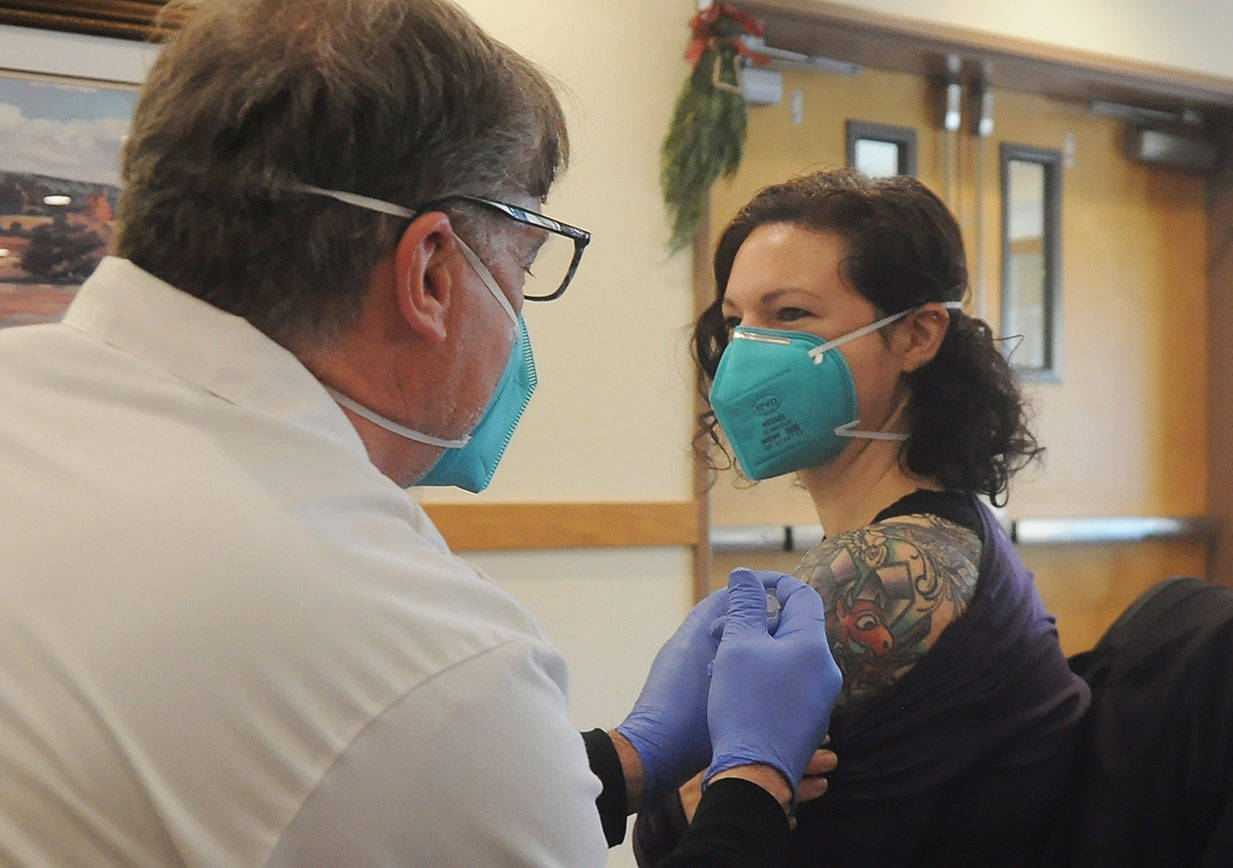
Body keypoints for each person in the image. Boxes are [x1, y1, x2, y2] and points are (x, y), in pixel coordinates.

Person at [0, 1, 842, 865]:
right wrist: (751, 785)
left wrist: (621, 762)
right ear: (432, 273)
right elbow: (393, 762)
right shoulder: (425, 669)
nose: (518, 311)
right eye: (523, 263)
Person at [634, 170, 1092, 866]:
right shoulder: (948, 534)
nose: (747, 352)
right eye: (736, 321)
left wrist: (672, 801)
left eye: (790, 316)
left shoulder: (877, 571)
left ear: (916, 335)